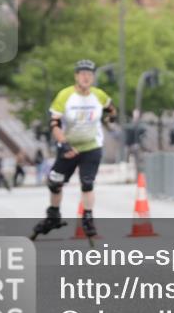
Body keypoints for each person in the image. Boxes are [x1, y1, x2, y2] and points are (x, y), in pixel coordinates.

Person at [31, 60, 116, 239]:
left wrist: (108, 120)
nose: (86, 77)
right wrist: (64, 143)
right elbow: (54, 123)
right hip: (69, 146)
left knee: (87, 183)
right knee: (55, 182)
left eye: (89, 74)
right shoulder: (65, 95)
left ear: (93, 77)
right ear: (76, 76)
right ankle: (53, 216)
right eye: (82, 74)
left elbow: (111, 110)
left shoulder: (99, 95)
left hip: (92, 146)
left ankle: (87, 218)